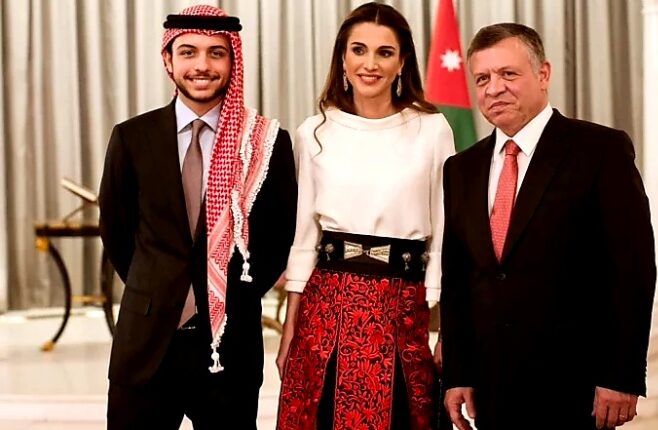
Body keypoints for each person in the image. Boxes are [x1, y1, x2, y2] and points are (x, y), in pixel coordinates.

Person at [440, 23, 657, 429]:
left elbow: (633, 271)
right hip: (491, 387)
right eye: (482, 78)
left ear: (543, 74)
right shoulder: (460, 169)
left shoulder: (601, 151)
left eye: (508, 74)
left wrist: (621, 375)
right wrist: (458, 371)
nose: (494, 88)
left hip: (577, 386)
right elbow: (458, 280)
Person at [98, 5, 297, 429]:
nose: (202, 65)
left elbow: (278, 238)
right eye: (188, 52)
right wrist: (158, 286)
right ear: (168, 60)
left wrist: (231, 295)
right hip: (145, 344)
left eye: (216, 53)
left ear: (233, 61)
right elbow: (116, 232)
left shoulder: (265, 142)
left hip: (229, 350)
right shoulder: (132, 138)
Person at [274, 3, 455, 429]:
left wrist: (447, 329)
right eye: (359, 50)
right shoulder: (314, 132)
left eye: (384, 52)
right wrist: (290, 327)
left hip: (402, 307)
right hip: (325, 308)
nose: (370, 64)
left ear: (402, 62)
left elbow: (447, 234)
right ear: (342, 58)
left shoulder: (432, 129)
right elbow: (304, 238)